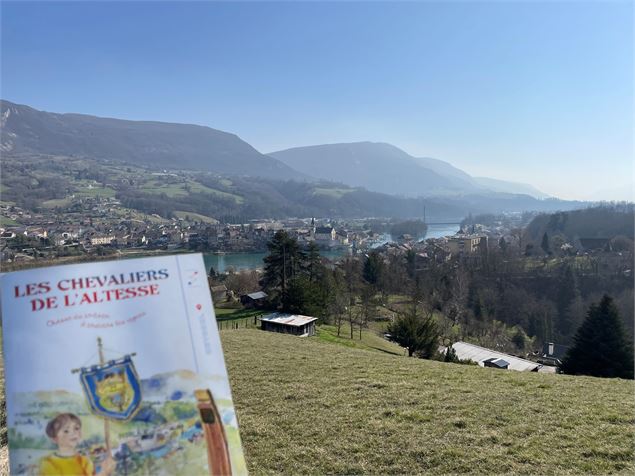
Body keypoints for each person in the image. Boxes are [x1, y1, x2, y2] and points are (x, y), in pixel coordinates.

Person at [39, 413, 115, 476]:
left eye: (76, 428)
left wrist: (106, 470)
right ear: (54, 438)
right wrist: (103, 473)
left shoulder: (85, 461)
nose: (73, 433)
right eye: (66, 431)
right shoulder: (48, 463)